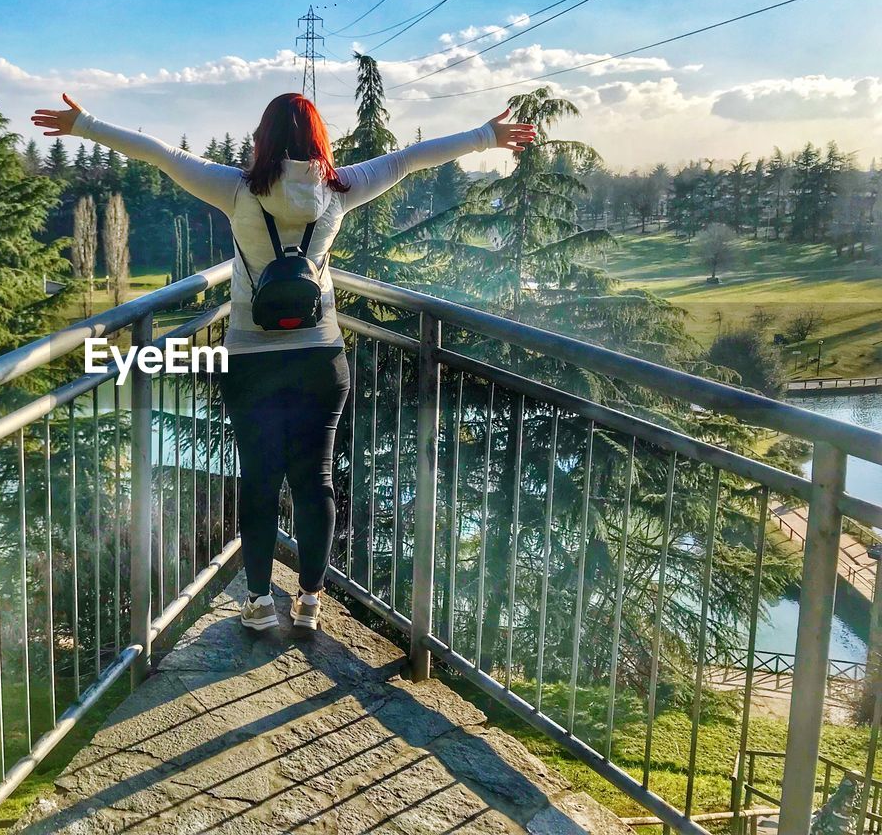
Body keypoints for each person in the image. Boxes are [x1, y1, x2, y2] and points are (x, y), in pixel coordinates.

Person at [32, 92, 535, 633]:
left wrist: (84, 124)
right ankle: (311, 601)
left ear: (263, 139)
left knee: (260, 483)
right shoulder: (339, 188)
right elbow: (410, 160)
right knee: (315, 481)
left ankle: (258, 603)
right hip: (321, 357)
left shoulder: (237, 190)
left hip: (251, 360)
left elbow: (158, 154)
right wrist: (486, 137)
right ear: (320, 139)